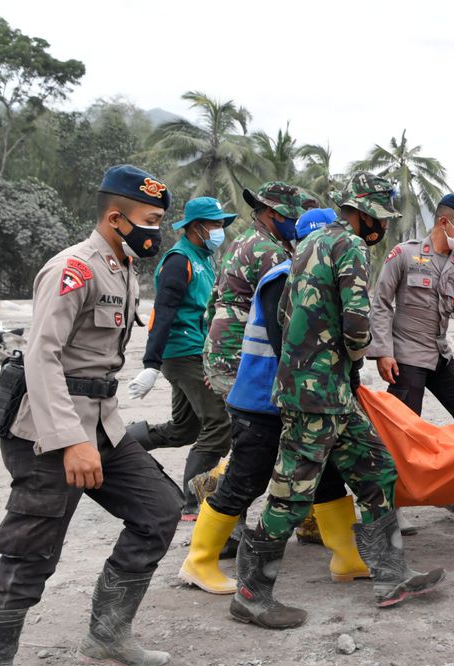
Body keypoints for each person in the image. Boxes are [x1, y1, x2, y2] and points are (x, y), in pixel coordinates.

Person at [0, 165, 184, 666]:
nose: (158, 231)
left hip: (102, 424)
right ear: (116, 217)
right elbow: (41, 357)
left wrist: (94, 436)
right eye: (151, 220)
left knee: (158, 508)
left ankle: (107, 635)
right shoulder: (73, 269)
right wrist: (71, 441)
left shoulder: (122, 266)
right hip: (49, 429)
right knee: (33, 548)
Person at [231, 173, 443, 630]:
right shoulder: (349, 246)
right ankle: (251, 594)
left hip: (326, 391)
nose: (380, 227)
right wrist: (353, 354)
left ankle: (391, 575)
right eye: (379, 218)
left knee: (376, 469)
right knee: (291, 494)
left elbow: (287, 313)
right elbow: (356, 323)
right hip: (317, 394)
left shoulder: (308, 243)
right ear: (363, 213)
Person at [180, 207, 371, 595]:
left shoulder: (312, 276)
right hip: (261, 400)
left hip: (297, 399)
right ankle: (198, 562)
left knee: (328, 475)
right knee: (245, 479)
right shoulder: (280, 277)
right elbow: (288, 346)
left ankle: (347, 558)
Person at [368, 193, 454, 529]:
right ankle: (393, 506)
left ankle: (447, 488)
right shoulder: (404, 254)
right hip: (405, 356)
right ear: (443, 222)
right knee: (401, 433)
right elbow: (381, 304)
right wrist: (384, 352)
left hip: (438, 354)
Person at [125, 197, 235, 520]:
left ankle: (124, 443)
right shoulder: (178, 260)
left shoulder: (204, 258)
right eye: (214, 225)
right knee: (220, 420)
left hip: (196, 348)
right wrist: (151, 365)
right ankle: (193, 498)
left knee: (184, 429)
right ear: (196, 227)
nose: (219, 231)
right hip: (183, 351)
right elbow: (163, 314)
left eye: (220, 225)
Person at [202, 181, 314, 397]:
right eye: (294, 216)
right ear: (274, 213)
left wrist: (213, 355)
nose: (297, 222)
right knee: (253, 426)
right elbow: (280, 321)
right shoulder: (270, 253)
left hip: (221, 349)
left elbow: (214, 299)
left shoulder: (241, 241)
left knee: (236, 422)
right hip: (240, 356)